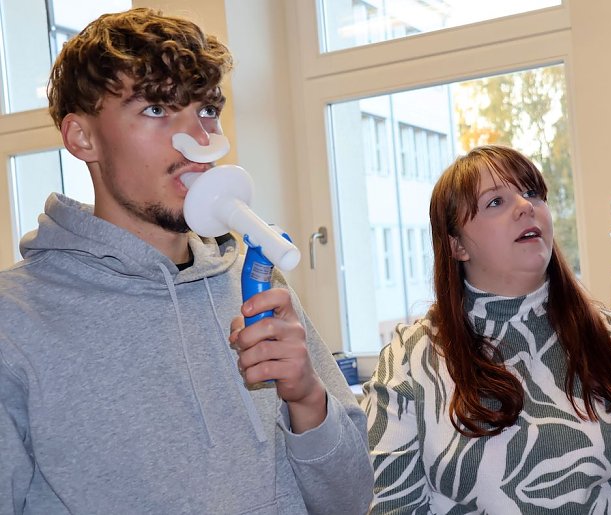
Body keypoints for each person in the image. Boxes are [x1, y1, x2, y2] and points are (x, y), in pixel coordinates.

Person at [0, 8, 372, 514]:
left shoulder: (254, 282)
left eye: (207, 109)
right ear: (82, 137)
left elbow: (349, 502)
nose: (199, 141)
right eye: (156, 110)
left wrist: (308, 398)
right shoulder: (14, 321)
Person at [361, 145, 611, 514]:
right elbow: (392, 506)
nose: (526, 207)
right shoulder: (408, 362)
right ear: (457, 245)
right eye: (495, 202)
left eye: (532, 193)